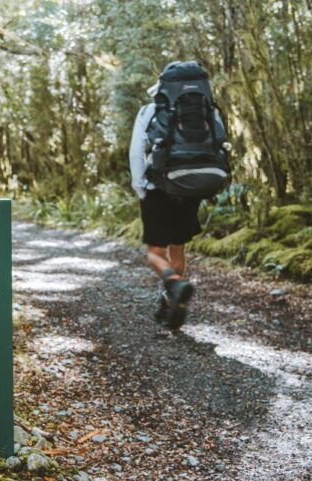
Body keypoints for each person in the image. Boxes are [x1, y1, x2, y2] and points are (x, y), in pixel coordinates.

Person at [129, 79, 200, 330]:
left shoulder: (150, 111)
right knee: (177, 248)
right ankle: (172, 303)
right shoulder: (205, 108)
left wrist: (139, 186)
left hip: (157, 187)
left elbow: (137, 150)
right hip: (191, 186)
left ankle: (174, 284)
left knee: (154, 253)